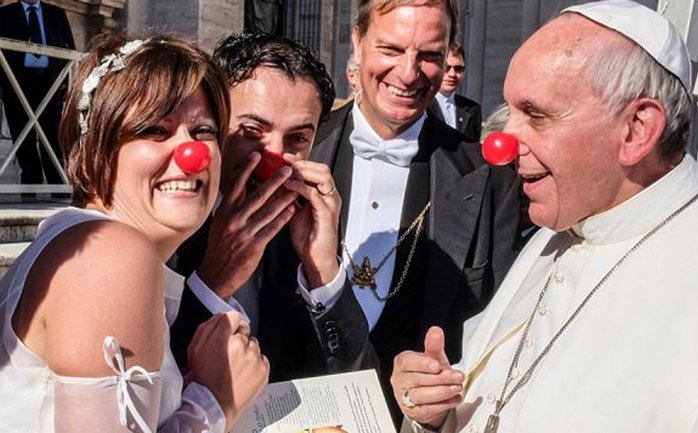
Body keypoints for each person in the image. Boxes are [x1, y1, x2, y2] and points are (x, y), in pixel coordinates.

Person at [391, 1, 698, 432]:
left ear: (636, 130)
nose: (503, 142)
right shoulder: (566, 224)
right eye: (510, 110)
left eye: (536, 115)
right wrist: (435, 414)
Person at [0, 34, 267, 432]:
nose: (190, 155)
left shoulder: (79, 243)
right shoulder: (110, 255)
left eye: (204, 131)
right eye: (156, 131)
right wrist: (216, 401)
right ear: (97, 152)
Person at [314, 0, 521, 421]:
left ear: (447, 57)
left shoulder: (490, 181)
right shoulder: (302, 147)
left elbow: (491, 335)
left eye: (428, 55)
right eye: (390, 49)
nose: (408, 74)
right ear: (357, 42)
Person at [170, 32, 377, 382]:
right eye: (252, 131)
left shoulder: (301, 230)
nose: (275, 157)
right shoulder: (168, 219)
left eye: (297, 139)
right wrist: (213, 281)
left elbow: (359, 383)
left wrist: (323, 272)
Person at [0, 0, 75, 186]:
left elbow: (69, 48)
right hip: (17, 83)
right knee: (22, 134)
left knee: (51, 134)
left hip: (50, 83)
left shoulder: (56, 13)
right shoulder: (5, 14)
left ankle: (56, 183)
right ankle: (30, 184)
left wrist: (66, 83)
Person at [428, 43, 482, 141]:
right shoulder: (421, 106)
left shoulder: (473, 109)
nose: (452, 74)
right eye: (446, 68)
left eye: (458, 69)